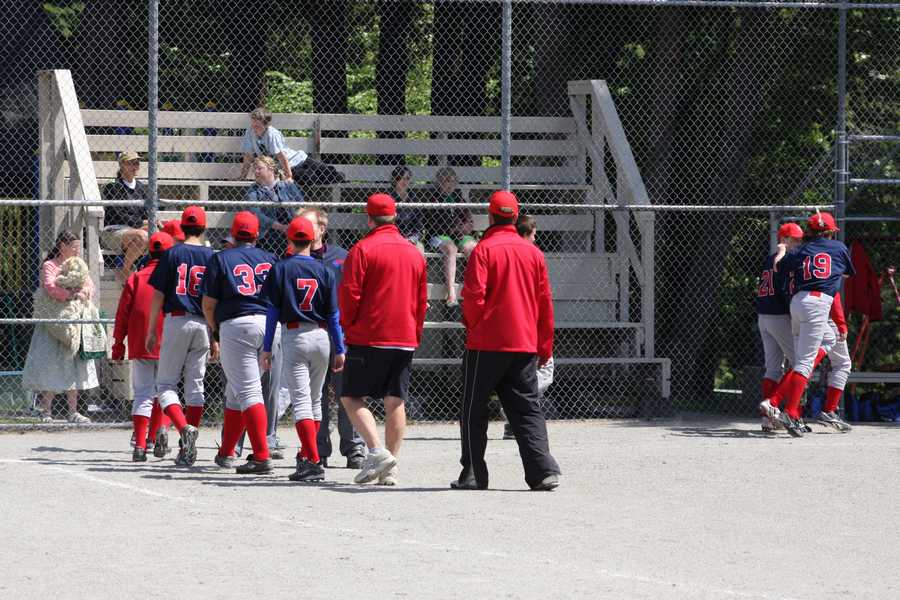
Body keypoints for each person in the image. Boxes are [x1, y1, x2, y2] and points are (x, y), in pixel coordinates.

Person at [452, 191, 560, 492]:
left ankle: (473, 473)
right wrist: (544, 345)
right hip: (524, 342)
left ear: (490, 216)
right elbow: (545, 304)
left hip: (486, 343)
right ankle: (542, 472)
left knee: (473, 408)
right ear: (515, 216)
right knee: (527, 408)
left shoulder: (484, 249)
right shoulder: (533, 253)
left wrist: (473, 325)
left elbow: (474, 296)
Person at [339, 194, 428, 485]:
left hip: (370, 334)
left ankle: (378, 452)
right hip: (404, 335)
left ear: (369, 219)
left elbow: (350, 294)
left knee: (351, 396)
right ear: (395, 217)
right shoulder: (414, 252)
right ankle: (390, 468)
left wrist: (347, 326)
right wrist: (415, 332)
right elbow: (421, 299)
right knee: (395, 400)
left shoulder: (363, 248)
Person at [260, 216, 346, 483]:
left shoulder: (280, 268)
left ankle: (313, 461)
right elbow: (333, 315)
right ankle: (309, 455)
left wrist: (266, 347)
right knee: (315, 399)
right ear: (312, 239)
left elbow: (272, 312)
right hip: (322, 336)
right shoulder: (325, 270)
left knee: (301, 402)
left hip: (294, 334)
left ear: (290, 239)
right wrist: (339, 347)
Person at [762, 211, 855, 437]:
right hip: (818, 303)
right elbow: (845, 275)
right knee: (804, 362)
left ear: (810, 231)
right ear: (831, 232)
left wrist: (782, 251)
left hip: (796, 304)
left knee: (821, 345)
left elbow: (779, 267)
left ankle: (783, 407)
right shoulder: (838, 248)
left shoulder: (802, 250)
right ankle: (787, 410)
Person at [202, 212, 276, 474]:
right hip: (270, 325)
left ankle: (261, 456)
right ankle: (226, 451)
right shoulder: (270, 258)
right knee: (236, 391)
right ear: (257, 235)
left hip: (238, 324)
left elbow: (208, 304)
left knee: (248, 392)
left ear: (233, 234)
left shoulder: (221, 257)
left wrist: (215, 330)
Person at [146, 206, 217, 465]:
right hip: (203, 323)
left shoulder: (172, 253)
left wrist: (152, 329)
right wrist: (214, 334)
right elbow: (214, 300)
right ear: (204, 227)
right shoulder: (212, 256)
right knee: (195, 386)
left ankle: (183, 428)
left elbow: (158, 295)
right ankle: (189, 446)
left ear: (182, 227)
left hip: (177, 320)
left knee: (166, 384)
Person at [299, 206, 367, 469]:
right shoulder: (295, 258)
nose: (302, 230)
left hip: (340, 333)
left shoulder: (341, 257)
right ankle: (318, 448)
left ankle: (354, 448)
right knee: (314, 395)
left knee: (347, 391)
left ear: (322, 229)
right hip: (309, 333)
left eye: (308, 224)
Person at [22, 231, 98, 423]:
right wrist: (71, 294)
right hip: (54, 322)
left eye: (78, 246)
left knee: (73, 364)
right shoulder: (50, 265)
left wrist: (83, 292)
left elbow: (89, 286)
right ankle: (46, 411)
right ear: (62, 246)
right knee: (51, 364)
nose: (77, 250)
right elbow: (50, 287)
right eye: (74, 246)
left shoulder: (79, 264)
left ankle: (73, 412)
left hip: (73, 322)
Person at [112, 232, 175, 461]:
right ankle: (155, 436)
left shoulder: (136, 278)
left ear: (149, 252)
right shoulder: (173, 278)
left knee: (142, 393)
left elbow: (122, 315)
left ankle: (140, 445)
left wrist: (118, 344)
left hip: (141, 344)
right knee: (165, 390)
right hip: (169, 342)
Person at [499, 214, 555, 440]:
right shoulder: (532, 255)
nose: (535, 239)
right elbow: (544, 300)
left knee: (520, 378)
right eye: (533, 234)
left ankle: (514, 420)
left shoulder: (503, 252)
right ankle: (516, 417)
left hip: (508, 328)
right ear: (525, 233)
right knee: (541, 373)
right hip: (528, 329)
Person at [755, 223, 803, 432]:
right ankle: (779, 407)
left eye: (800, 239)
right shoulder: (784, 259)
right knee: (801, 364)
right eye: (795, 239)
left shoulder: (770, 258)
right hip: (779, 316)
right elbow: (786, 290)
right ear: (783, 239)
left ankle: (767, 419)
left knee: (773, 368)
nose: (799, 243)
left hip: (764, 315)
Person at [422, 167, 476, 306]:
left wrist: (467, 226)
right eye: (446, 180)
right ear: (439, 182)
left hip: (459, 235)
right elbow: (434, 225)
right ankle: (451, 294)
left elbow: (469, 220)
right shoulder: (433, 199)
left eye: (452, 181)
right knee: (450, 248)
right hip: (438, 236)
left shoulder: (459, 198)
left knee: (473, 247)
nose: (450, 184)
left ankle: (476, 288)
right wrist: (457, 229)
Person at [101, 150, 150, 283]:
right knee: (141, 236)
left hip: (135, 230)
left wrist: (149, 222)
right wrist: (141, 223)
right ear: (122, 164)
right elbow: (118, 214)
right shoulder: (113, 186)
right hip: (114, 230)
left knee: (159, 234)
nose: (135, 166)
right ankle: (125, 270)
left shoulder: (141, 187)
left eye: (137, 163)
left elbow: (145, 212)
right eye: (131, 163)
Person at [245, 156, 304, 254]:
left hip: (292, 227)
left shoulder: (288, 185)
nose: (256, 172)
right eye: (254, 169)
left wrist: (293, 225)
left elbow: (301, 205)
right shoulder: (253, 190)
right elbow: (256, 214)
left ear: (271, 169)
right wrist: (281, 227)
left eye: (259, 168)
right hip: (268, 232)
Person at [238, 107, 308, 182]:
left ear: (266, 125)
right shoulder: (250, 132)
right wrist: (242, 177)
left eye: (257, 126)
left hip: (298, 162)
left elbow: (281, 156)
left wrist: (289, 176)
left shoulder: (272, 134)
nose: (253, 128)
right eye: (252, 124)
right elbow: (248, 156)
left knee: (310, 178)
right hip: (283, 169)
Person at [390, 165, 425, 253]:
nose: (405, 181)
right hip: (393, 237)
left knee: (420, 248)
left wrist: (413, 238)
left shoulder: (414, 199)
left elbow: (419, 226)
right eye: (401, 178)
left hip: (411, 237)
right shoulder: (389, 198)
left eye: (407, 178)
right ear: (395, 180)